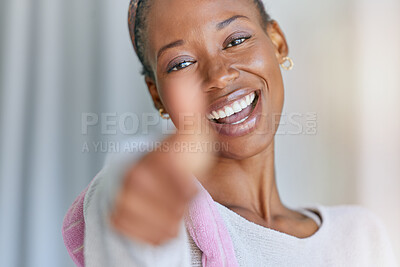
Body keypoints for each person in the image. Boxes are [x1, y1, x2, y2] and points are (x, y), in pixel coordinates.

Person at [62, 0, 399, 266]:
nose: (218, 75)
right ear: (156, 95)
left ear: (278, 42)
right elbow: (128, 213)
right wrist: (128, 185)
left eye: (236, 40)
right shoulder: (170, 224)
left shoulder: (361, 236)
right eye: (180, 63)